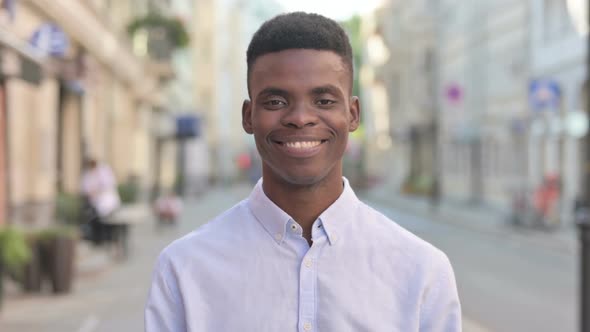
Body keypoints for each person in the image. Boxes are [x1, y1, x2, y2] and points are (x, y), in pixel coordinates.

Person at [145, 12, 461, 331]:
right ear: (248, 116)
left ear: (352, 115)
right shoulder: (184, 269)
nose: (300, 118)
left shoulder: (422, 272)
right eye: (276, 101)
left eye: (323, 100)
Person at [81, 158, 121, 244]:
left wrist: (97, 191)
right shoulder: (88, 174)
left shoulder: (103, 172)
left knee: (107, 221)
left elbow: (108, 185)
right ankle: (99, 238)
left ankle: (108, 238)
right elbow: (86, 188)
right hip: (95, 203)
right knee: (97, 220)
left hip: (106, 201)